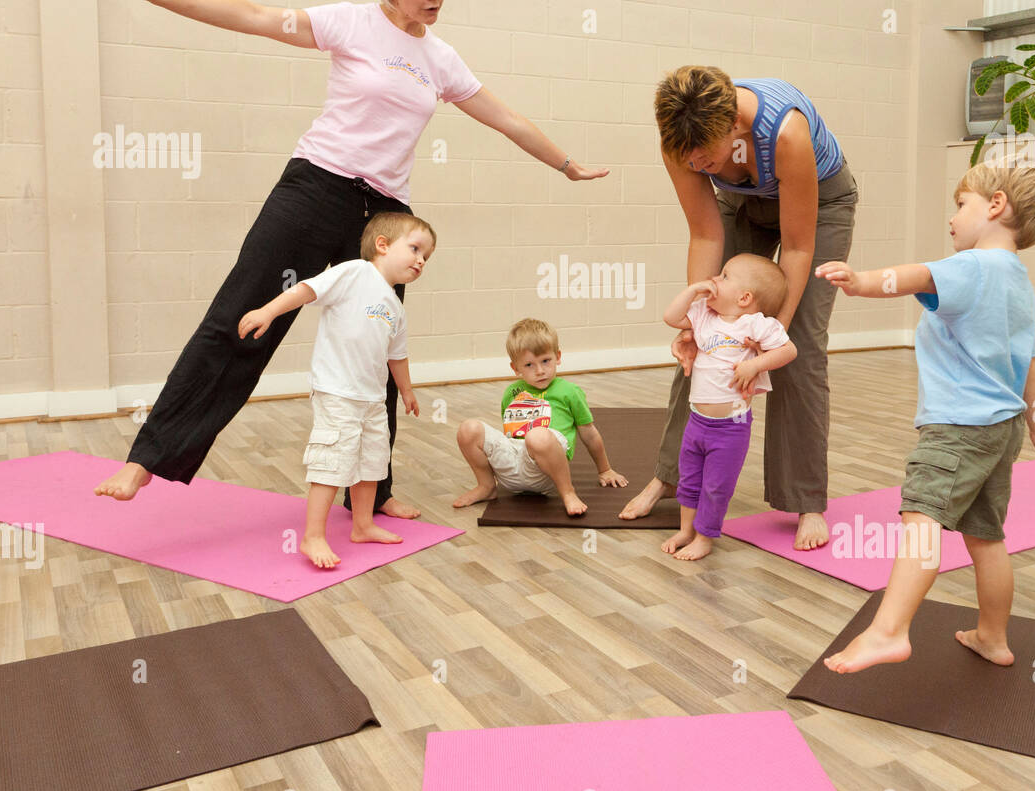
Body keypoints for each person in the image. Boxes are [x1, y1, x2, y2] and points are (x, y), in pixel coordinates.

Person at [88, 0, 608, 513]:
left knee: (376, 352)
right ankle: (146, 460)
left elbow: (506, 119)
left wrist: (566, 165)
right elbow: (255, 14)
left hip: (385, 217)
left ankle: (373, 495)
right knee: (239, 319)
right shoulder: (352, 22)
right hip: (315, 189)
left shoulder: (440, 59)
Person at [816, 162, 1035, 673]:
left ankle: (889, 632)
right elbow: (1032, 361)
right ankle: (992, 636)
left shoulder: (972, 266)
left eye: (962, 205)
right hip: (1004, 430)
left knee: (922, 520)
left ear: (996, 205)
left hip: (958, 428)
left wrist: (861, 280)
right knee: (986, 536)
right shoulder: (1019, 281)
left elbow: (915, 275)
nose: (953, 217)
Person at [619, 67, 857, 551]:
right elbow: (706, 234)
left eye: (705, 156)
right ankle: (669, 476)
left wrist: (771, 338)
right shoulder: (680, 141)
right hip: (743, 202)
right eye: (688, 157)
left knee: (801, 348)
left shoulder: (784, 132)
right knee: (705, 339)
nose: (695, 163)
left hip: (819, 207)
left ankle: (807, 499)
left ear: (734, 127)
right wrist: (694, 324)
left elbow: (795, 247)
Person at [238, 213, 433, 569]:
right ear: (383, 245)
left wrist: (406, 390)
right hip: (338, 392)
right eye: (416, 249)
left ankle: (363, 525)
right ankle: (312, 536)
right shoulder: (355, 272)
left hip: (373, 398)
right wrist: (268, 311)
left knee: (371, 463)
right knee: (332, 462)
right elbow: (306, 289)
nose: (421, 261)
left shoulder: (395, 306)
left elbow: (397, 355)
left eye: (427, 257)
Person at [660, 254, 797, 561]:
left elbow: (789, 350)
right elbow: (671, 316)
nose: (715, 280)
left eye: (723, 276)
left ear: (745, 297)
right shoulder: (703, 316)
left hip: (730, 428)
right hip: (697, 421)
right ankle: (686, 529)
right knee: (690, 479)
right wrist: (694, 289)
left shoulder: (756, 324)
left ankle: (705, 537)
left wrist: (756, 365)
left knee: (715, 486)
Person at [452, 318, 627, 517]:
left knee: (536, 436)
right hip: (513, 466)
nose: (540, 370)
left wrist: (605, 469)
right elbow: (509, 432)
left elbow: (589, 434)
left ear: (558, 356)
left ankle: (568, 492)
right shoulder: (512, 392)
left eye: (545, 361)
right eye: (529, 365)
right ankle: (486, 486)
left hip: (543, 470)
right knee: (468, 428)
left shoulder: (569, 391)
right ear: (515, 368)